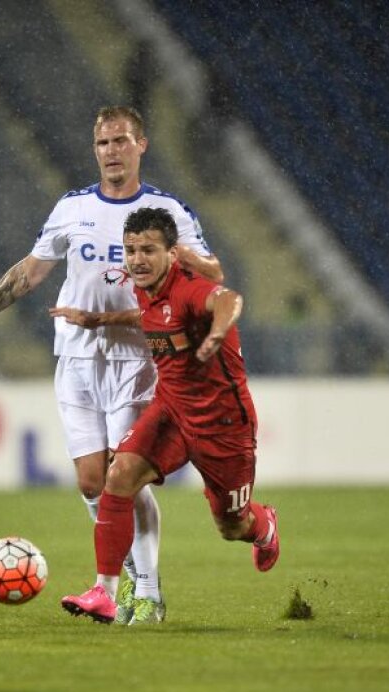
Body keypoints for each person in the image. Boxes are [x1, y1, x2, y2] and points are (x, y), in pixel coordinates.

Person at [0, 106, 222, 625]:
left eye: (120, 141)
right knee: (92, 482)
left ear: (141, 145)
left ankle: (148, 595)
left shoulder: (166, 211)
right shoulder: (72, 208)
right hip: (75, 357)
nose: (111, 151)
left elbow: (211, 271)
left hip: (136, 358)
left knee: (124, 477)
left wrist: (179, 264)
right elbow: (29, 272)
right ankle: (130, 576)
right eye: (102, 143)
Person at [49, 207, 278, 623]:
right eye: (131, 249)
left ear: (172, 253)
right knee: (117, 476)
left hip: (223, 426)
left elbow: (228, 298)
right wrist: (100, 320)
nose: (137, 259)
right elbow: (150, 316)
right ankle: (105, 591)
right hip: (171, 412)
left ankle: (264, 527)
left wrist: (217, 333)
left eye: (148, 250)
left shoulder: (190, 288)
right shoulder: (145, 288)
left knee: (231, 527)